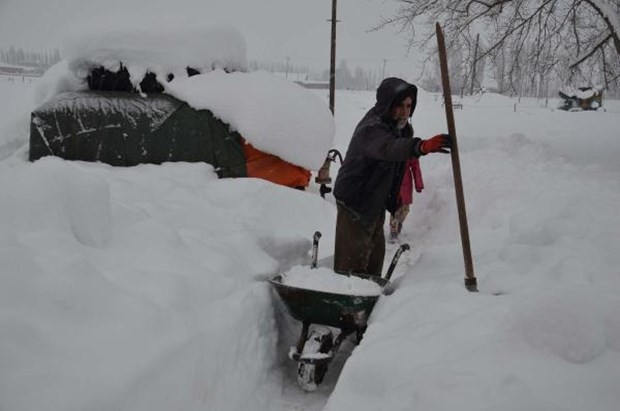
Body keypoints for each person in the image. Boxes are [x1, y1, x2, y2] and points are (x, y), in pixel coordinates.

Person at [332, 77, 451, 277]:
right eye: (399, 106)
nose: (405, 112)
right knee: (351, 269)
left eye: (409, 106)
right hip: (354, 202)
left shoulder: (402, 129)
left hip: (375, 202)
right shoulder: (371, 128)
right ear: (387, 104)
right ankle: (348, 307)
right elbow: (388, 148)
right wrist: (419, 147)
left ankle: (369, 300)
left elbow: (395, 168)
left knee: (374, 262)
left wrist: (393, 197)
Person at [389, 157, 423, 243]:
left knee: (405, 209)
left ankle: (399, 223)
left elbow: (415, 166)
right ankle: (393, 232)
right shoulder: (392, 147)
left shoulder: (409, 150)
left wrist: (418, 183)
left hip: (406, 182)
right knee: (395, 209)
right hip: (393, 181)